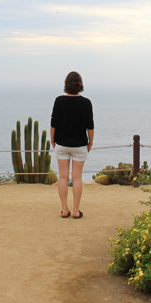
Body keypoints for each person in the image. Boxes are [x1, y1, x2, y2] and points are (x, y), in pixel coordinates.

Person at [50, 71, 94, 219]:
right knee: (77, 178)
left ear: (66, 84)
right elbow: (90, 126)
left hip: (61, 143)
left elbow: (53, 123)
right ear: (80, 84)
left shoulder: (59, 101)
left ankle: (64, 210)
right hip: (80, 145)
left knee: (62, 177)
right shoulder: (86, 103)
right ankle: (76, 211)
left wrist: (53, 140)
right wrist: (90, 142)